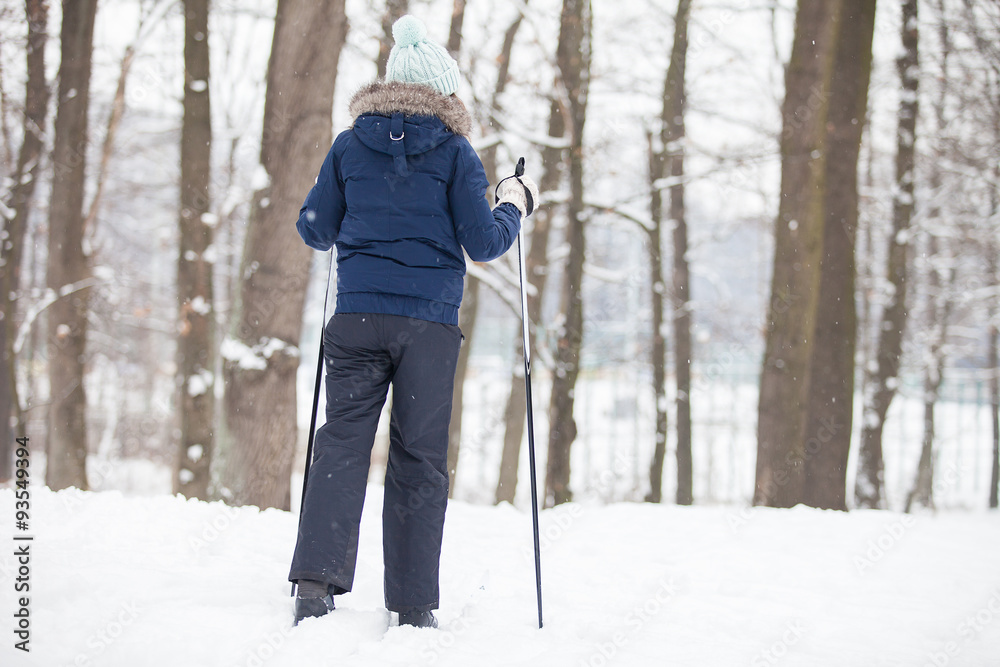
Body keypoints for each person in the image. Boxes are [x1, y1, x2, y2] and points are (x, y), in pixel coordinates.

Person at [288, 15, 539, 629]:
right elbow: (482, 242)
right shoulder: (456, 153)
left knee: (342, 443)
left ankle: (315, 587)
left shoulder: (348, 145)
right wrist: (513, 204)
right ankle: (412, 607)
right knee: (419, 458)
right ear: (445, 93)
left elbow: (314, 229)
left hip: (356, 320)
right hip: (427, 329)